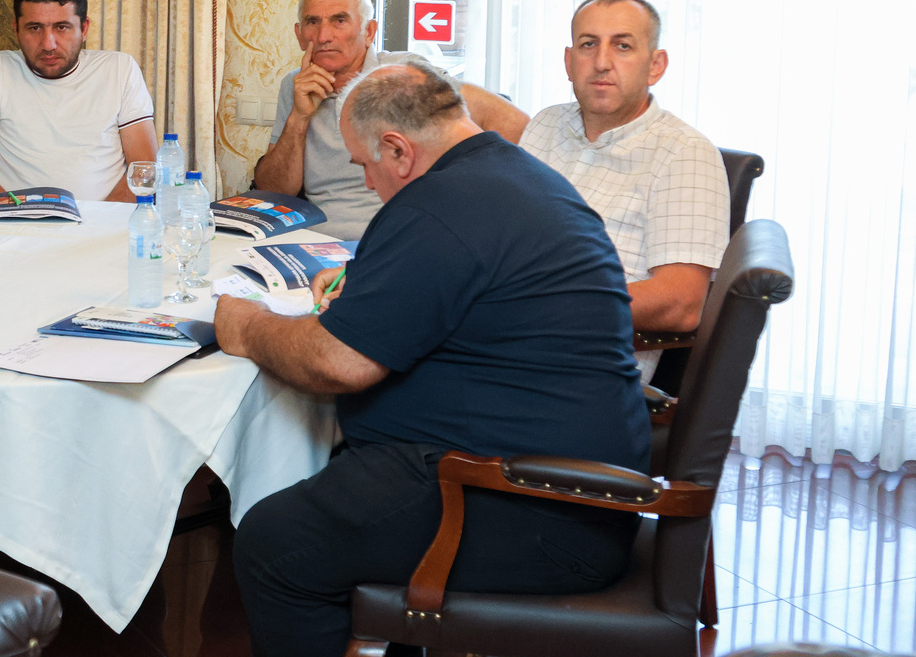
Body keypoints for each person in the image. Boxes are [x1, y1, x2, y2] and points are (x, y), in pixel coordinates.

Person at [215, 58, 648, 657]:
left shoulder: (440, 205)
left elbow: (338, 362)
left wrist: (246, 325)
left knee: (274, 544)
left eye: (364, 165)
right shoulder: (507, 174)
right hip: (560, 487)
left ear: (398, 150)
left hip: (535, 506)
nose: (369, 184)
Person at [520, 0, 730, 376]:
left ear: (655, 66)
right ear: (569, 62)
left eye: (622, 46)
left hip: (581, 368)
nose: (602, 62)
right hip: (499, 342)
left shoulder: (685, 154)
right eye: (588, 44)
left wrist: (539, 308)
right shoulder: (545, 125)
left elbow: (680, 304)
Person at [251, 0, 528, 239]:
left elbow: (512, 122)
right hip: (313, 241)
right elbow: (274, 193)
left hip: (397, 238)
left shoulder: (401, 73)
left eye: (339, 20)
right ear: (300, 34)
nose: (323, 36)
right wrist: (299, 117)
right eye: (312, 22)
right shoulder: (295, 84)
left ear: (369, 31)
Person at [0, 0, 156, 203]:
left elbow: (146, 170)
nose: (48, 44)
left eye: (62, 27)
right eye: (34, 28)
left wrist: (96, 220)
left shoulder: (120, 70)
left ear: (84, 28)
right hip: (12, 217)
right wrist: (19, 213)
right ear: (16, 29)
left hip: (101, 220)